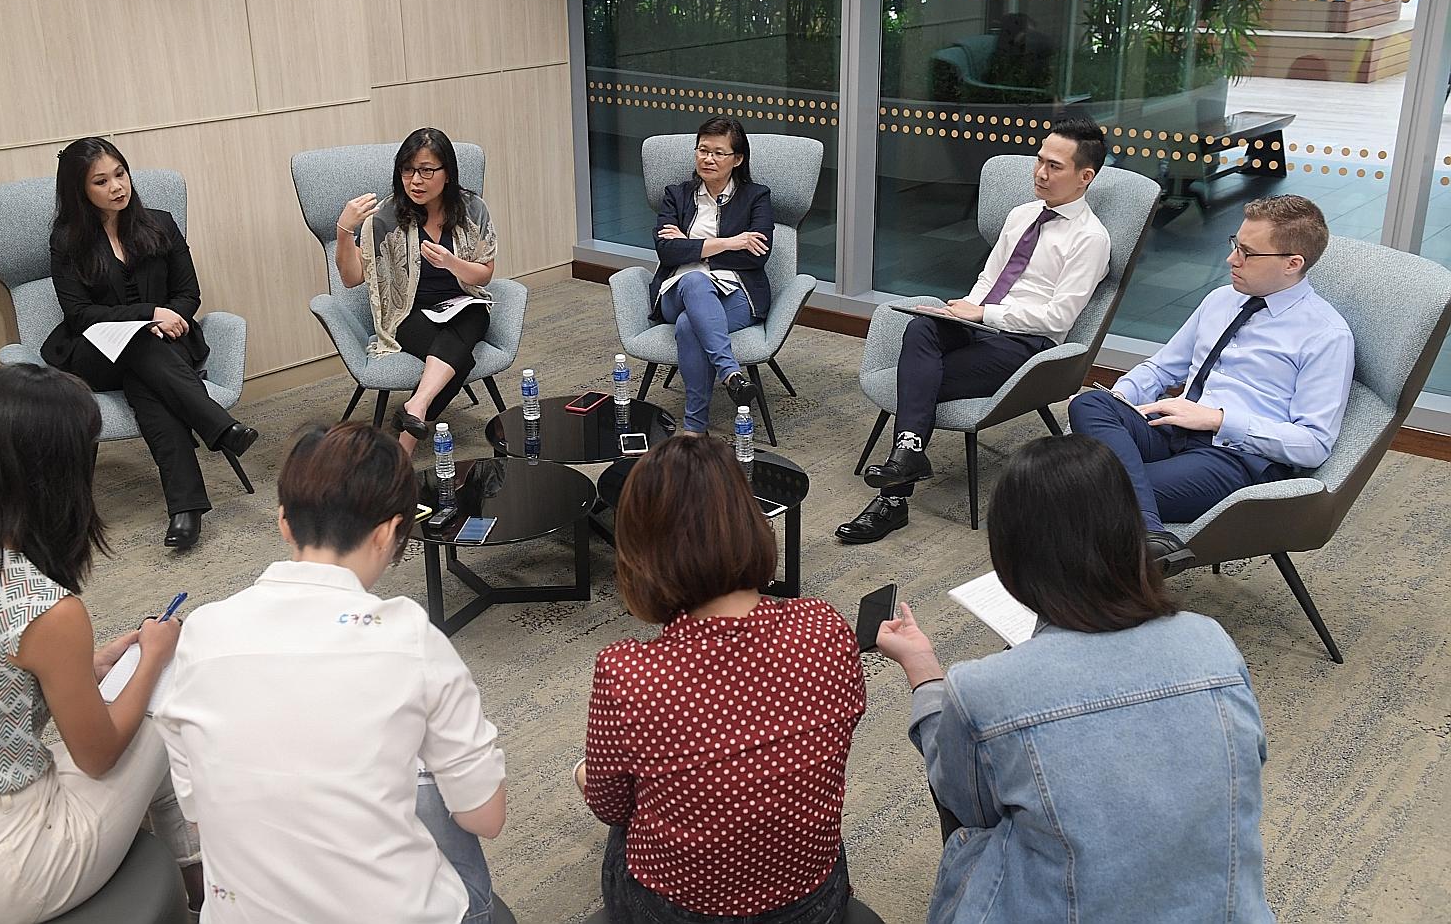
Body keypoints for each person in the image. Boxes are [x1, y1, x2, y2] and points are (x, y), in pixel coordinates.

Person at [876, 434, 1274, 923]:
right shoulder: (1212, 642)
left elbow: (967, 805)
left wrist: (925, 674)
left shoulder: (985, 688)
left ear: (1012, 557)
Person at [156, 422, 507, 923]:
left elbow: (195, 808)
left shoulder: (203, 633)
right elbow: (485, 817)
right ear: (389, 532)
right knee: (430, 785)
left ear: (283, 523)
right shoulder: (410, 637)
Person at [0, 364, 200, 924]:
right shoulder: (46, 608)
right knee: (161, 710)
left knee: (125, 696)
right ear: (61, 471)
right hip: (6, 874)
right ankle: (199, 890)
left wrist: (83, 666)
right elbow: (99, 756)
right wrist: (155, 657)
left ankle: (187, 889)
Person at [578, 435, 866, 923]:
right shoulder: (827, 628)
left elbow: (610, 807)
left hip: (680, 909)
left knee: (615, 800)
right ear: (749, 520)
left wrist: (585, 774)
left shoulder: (627, 674)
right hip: (811, 899)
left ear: (641, 552)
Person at [836, 117, 1111, 544]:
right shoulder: (1021, 214)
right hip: (979, 321)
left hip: (1026, 348)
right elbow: (989, 277)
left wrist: (986, 316)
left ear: (1085, 176)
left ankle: (894, 498)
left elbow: (1058, 318)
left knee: (919, 378)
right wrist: (961, 312)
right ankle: (908, 454)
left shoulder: (1090, 239)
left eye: (1054, 167)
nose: (1040, 173)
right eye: (1039, 161)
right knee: (922, 329)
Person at [1068, 194, 1353, 573]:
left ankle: (1144, 541)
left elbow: (1314, 444)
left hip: (1232, 456)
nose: (1231, 260)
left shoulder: (1325, 335)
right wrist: (1123, 401)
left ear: (1292, 264)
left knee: (1089, 486)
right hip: (1169, 428)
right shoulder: (1221, 300)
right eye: (1235, 245)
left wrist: (1218, 419)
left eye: (1248, 253)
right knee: (1090, 404)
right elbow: (1160, 370)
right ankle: (1151, 537)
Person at [47, 136, 258, 550]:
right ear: (80, 191)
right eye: (101, 181)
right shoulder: (67, 241)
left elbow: (187, 292)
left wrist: (167, 318)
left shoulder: (160, 223)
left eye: (120, 174)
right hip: (97, 351)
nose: (117, 187)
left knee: (147, 381)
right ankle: (218, 425)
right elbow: (79, 314)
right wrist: (148, 316)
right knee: (138, 346)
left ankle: (186, 510)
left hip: (163, 344)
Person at [335, 127, 498, 454]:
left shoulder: (471, 209)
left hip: (463, 304)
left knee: (474, 316)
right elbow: (352, 278)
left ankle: (415, 410)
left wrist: (452, 264)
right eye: (407, 171)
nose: (416, 180)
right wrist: (344, 229)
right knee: (459, 358)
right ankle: (410, 429)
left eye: (426, 170)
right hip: (408, 313)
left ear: (447, 173)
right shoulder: (386, 216)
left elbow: (484, 275)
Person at [650, 115, 773, 434]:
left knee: (689, 325)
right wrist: (730, 242)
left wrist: (690, 244)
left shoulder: (756, 197)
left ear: (738, 159)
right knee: (693, 279)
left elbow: (757, 255)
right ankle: (731, 373)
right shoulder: (675, 195)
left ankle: (694, 428)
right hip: (677, 291)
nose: (708, 158)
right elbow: (666, 251)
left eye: (718, 152)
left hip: (735, 294)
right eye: (702, 149)